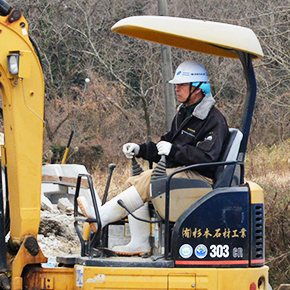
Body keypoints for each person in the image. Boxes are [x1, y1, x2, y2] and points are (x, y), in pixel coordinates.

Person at [81, 60, 229, 255]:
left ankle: (99, 218)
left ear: (198, 88)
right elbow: (164, 145)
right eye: (176, 85)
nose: (177, 89)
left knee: (151, 179)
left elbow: (208, 158)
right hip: (184, 173)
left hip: (201, 178)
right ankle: (139, 242)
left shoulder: (213, 119)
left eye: (182, 85)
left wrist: (174, 151)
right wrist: (140, 149)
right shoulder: (185, 114)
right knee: (134, 181)